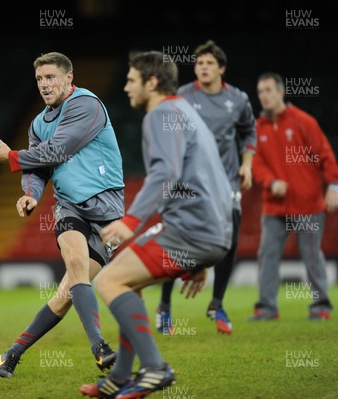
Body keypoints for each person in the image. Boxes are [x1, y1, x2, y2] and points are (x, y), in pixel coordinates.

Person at [79, 50, 232, 398]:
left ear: (152, 82)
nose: (126, 86)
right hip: (210, 230)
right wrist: (205, 254)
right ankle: (120, 377)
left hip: (193, 230)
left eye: (132, 80)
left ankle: (155, 367)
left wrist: (132, 220)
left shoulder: (161, 114)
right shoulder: (186, 113)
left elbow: (166, 173)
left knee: (108, 281)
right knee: (127, 283)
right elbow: (210, 178)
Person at [0, 51, 125, 378]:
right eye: (39, 79)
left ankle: (11, 353)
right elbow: (39, 167)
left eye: (51, 77)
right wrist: (30, 195)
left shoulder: (85, 105)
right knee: (77, 264)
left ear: (68, 77)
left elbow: (58, 150)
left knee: (66, 295)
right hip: (69, 206)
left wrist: (11, 156)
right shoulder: (38, 123)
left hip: (107, 209)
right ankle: (100, 348)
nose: (44, 84)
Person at [156, 40, 257, 335]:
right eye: (199, 63)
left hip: (226, 181)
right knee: (174, 241)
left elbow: (250, 131)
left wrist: (247, 163)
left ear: (221, 68)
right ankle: (164, 308)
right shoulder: (182, 96)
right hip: (188, 182)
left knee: (231, 240)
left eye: (209, 63)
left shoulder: (238, 100)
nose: (202, 67)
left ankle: (217, 304)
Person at [249, 72, 338, 320]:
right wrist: (271, 182)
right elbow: (255, 164)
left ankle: (321, 304)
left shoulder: (303, 121)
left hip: (308, 205)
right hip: (275, 208)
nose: (264, 96)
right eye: (260, 91)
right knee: (267, 256)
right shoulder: (257, 129)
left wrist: (333, 186)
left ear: (281, 92)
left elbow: (326, 156)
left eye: (269, 90)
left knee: (311, 256)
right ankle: (267, 307)